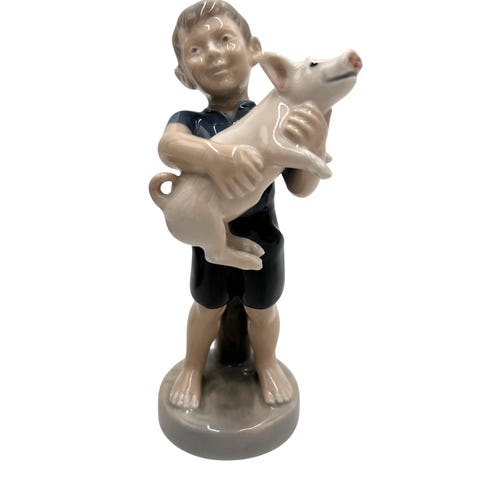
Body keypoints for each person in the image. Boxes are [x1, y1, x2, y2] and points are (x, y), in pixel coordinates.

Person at [158, 0, 330, 409]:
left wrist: (317, 141)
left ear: (254, 50)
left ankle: (266, 362)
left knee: (263, 309)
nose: (213, 53)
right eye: (195, 49)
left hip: (261, 234)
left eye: (224, 39)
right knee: (206, 307)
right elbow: (169, 146)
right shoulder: (191, 121)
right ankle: (192, 365)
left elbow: (301, 187)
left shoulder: (273, 115)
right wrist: (217, 158)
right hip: (210, 235)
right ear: (184, 74)